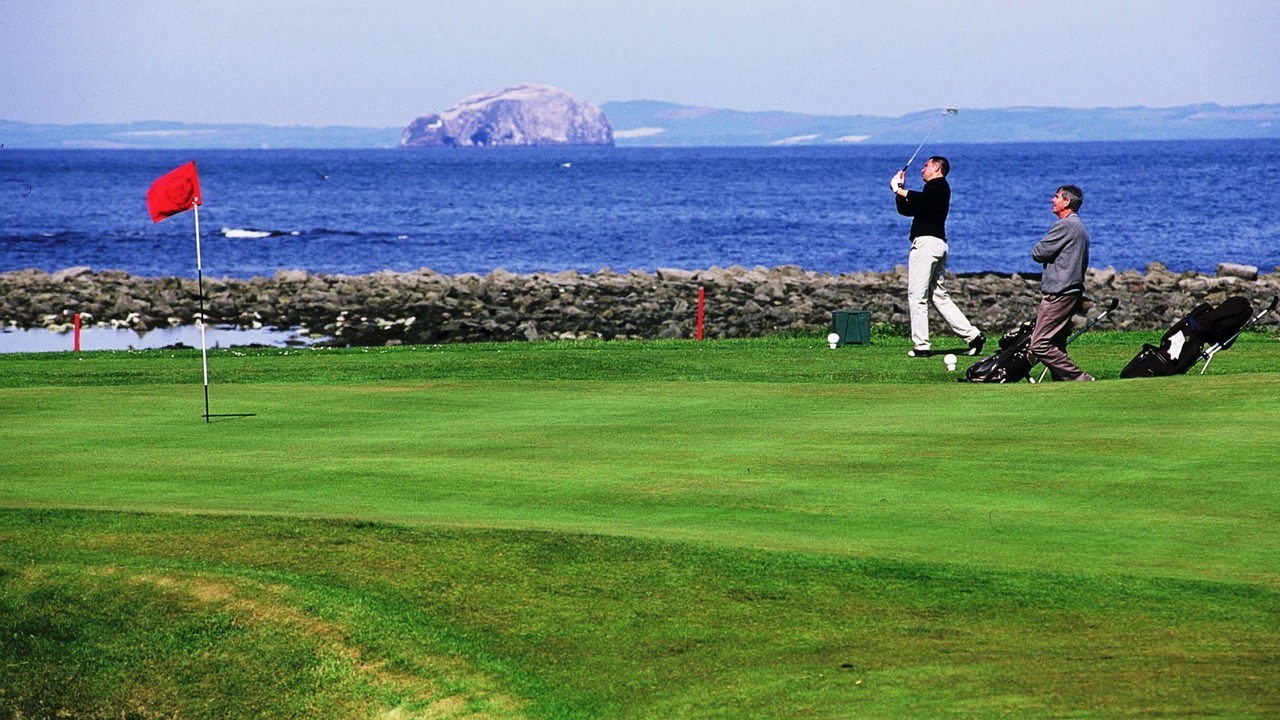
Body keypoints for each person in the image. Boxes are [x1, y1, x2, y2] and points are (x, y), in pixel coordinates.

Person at [891, 156, 984, 358]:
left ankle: (921, 346)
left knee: (917, 295)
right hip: (936, 245)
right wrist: (899, 193)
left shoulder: (939, 186)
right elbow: (907, 209)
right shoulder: (930, 191)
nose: (922, 170)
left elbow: (922, 200)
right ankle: (973, 336)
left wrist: (899, 189)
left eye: (925, 166)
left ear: (936, 167)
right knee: (938, 295)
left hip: (926, 245)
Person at [1029, 184, 1095, 381]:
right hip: (1071, 291)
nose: (1052, 200)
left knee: (1039, 343)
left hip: (1059, 291)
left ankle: (1079, 377)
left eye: (1057, 196)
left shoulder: (1066, 225)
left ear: (1067, 202)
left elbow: (1038, 253)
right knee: (1056, 343)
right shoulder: (1079, 226)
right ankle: (1062, 382)